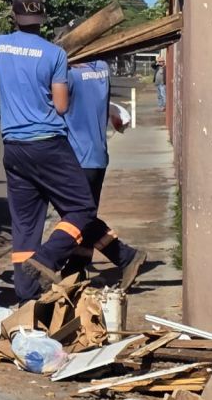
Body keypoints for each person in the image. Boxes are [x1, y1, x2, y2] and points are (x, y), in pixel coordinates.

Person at [0, 0, 97, 302]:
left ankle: (26, 294)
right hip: (48, 143)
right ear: (43, 18)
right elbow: (61, 106)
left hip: (13, 147)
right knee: (82, 208)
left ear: (14, 16)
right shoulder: (55, 54)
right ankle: (47, 257)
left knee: (25, 225)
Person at [62, 59, 149, 289]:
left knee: (79, 216)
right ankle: (76, 267)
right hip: (97, 155)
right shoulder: (102, 69)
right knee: (85, 214)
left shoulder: (68, 73)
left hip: (77, 156)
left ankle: (126, 256)